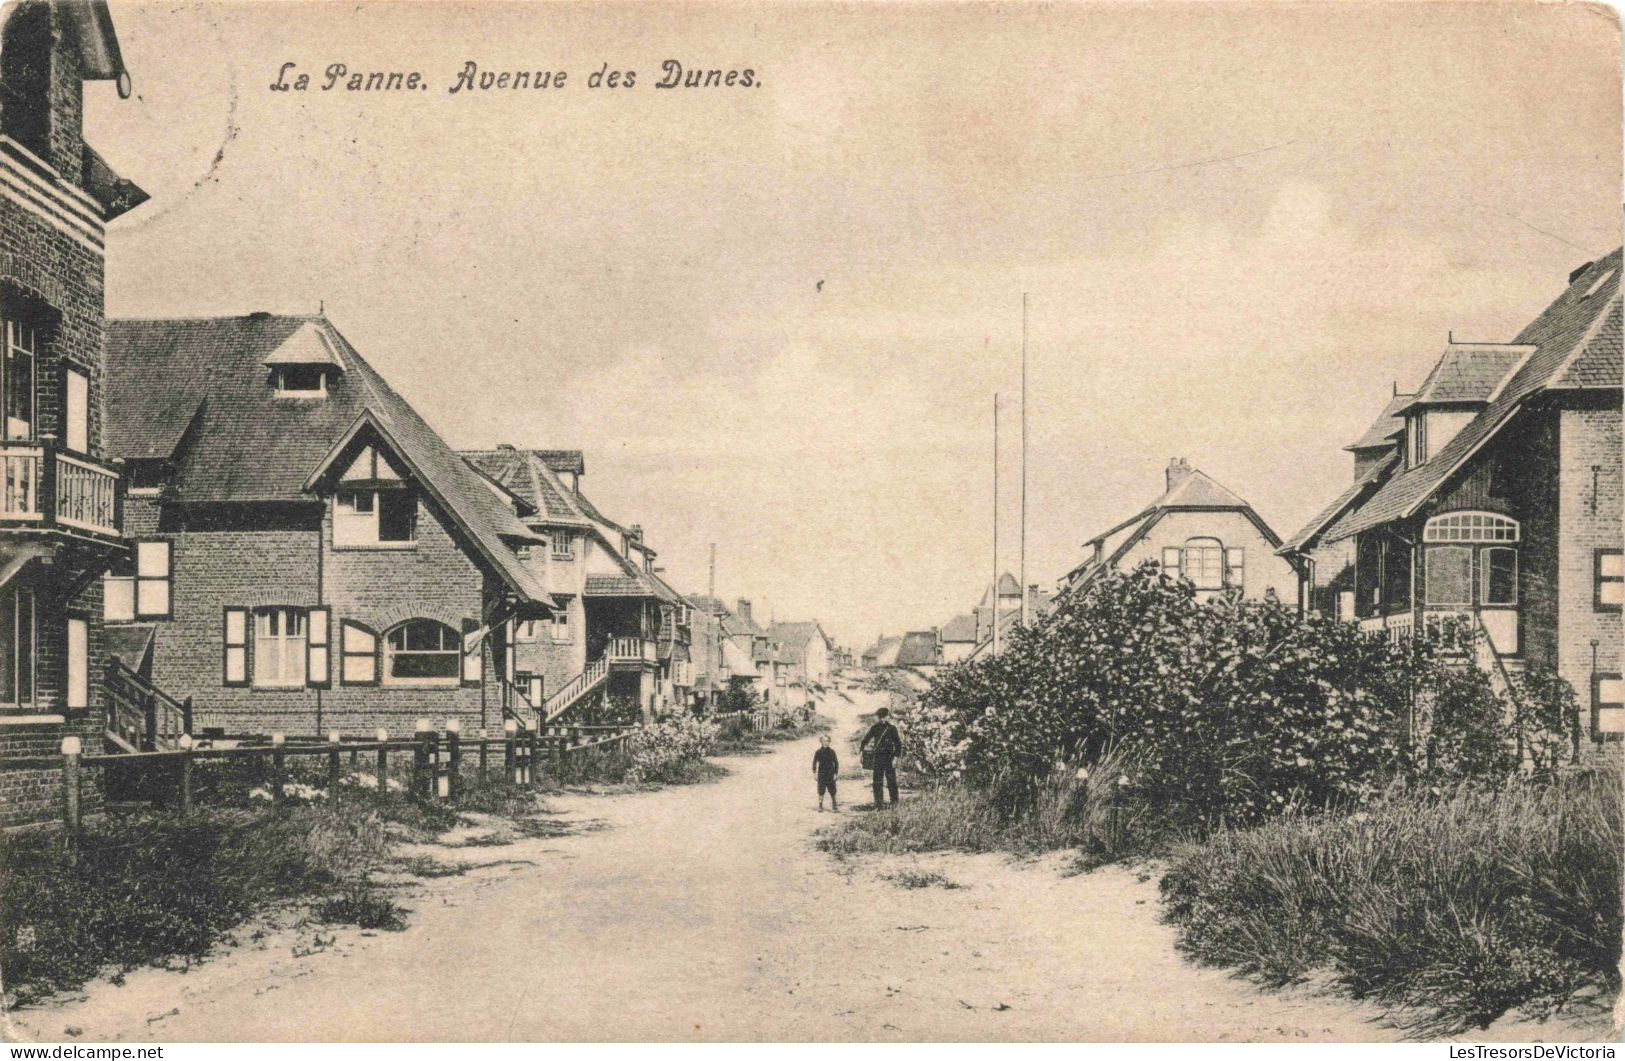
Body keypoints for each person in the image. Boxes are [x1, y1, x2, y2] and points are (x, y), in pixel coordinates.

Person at [860, 707, 903, 808]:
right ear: (878, 717)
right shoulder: (875, 728)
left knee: (891, 781)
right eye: (880, 717)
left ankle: (894, 802)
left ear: (888, 716)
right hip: (878, 757)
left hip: (889, 757)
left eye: (884, 717)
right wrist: (861, 751)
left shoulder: (892, 728)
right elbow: (865, 740)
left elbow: (898, 744)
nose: (882, 719)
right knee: (877, 781)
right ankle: (878, 804)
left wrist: (896, 758)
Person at [812, 735, 840, 812]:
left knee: (832, 790)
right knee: (821, 791)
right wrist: (814, 773)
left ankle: (834, 806)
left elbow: (836, 763)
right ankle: (820, 806)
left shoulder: (832, 752)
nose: (825, 743)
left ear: (829, 742)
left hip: (830, 774)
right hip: (821, 774)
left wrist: (835, 774)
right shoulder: (818, 752)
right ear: (821, 742)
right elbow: (814, 763)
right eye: (824, 741)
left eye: (827, 741)